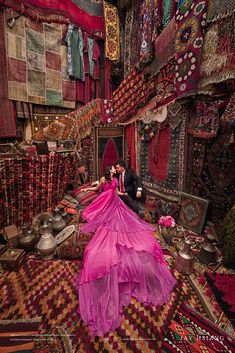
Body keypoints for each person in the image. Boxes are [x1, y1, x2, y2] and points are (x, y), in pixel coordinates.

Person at [76, 165, 176, 337]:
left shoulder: (117, 179)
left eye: (116, 167)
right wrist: (87, 188)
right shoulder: (104, 179)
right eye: (114, 168)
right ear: (110, 172)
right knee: (105, 231)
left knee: (128, 221)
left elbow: (119, 190)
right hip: (107, 201)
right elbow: (97, 188)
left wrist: (123, 195)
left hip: (115, 202)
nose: (115, 169)